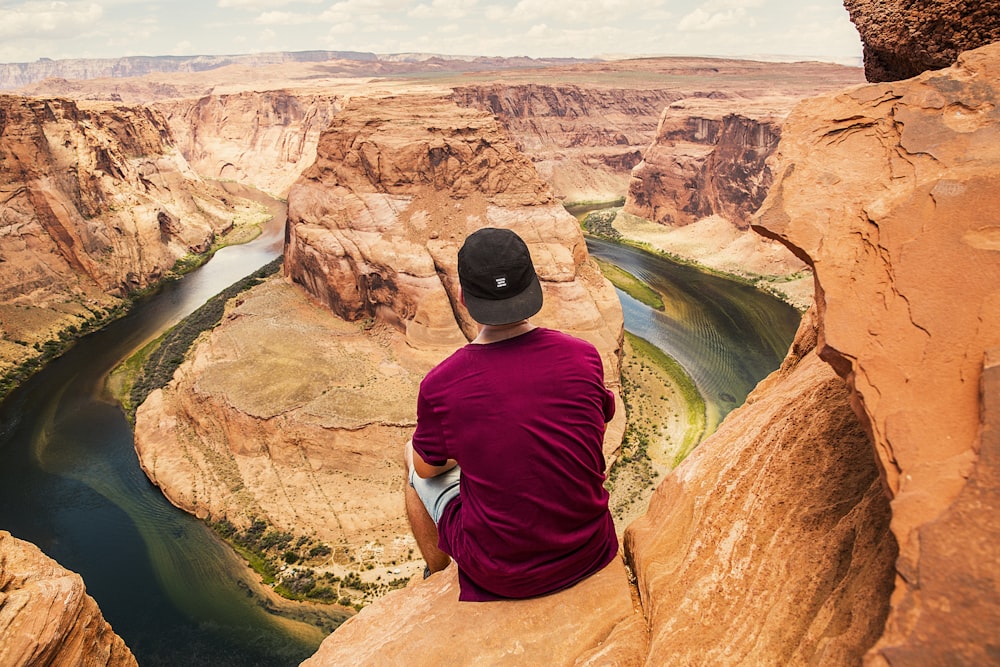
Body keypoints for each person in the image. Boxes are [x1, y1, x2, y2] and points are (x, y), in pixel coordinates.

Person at [404, 226, 618, 601]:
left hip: (504, 575)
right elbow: (596, 424)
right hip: (591, 550)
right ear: (533, 285)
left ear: (462, 297)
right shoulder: (583, 355)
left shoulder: (443, 385)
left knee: (411, 461)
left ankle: (436, 574)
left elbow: (427, 470)